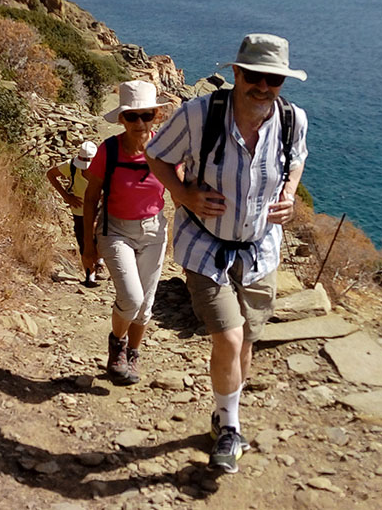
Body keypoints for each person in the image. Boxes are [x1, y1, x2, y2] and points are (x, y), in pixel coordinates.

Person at [146, 33, 308, 473]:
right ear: (237, 73)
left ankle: (222, 414)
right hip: (206, 248)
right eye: (254, 76)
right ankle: (232, 428)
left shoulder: (293, 120)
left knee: (247, 341)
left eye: (273, 79)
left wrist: (290, 194)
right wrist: (183, 195)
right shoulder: (199, 115)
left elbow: (297, 158)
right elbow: (156, 154)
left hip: (260, 250)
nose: (263, 86)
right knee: (229, 336)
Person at [82, 80, 171, 386]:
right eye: (131, 116)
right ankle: (117, 342)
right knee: (131, 298)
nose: (139, 122)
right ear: (121, 118)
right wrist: (88, 247)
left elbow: (182, 186)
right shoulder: (108, 150)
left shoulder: (165, 150)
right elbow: (91, 197)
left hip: (154, 231)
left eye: (145, 115)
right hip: (115, 229)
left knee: (145, 306)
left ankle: (132, 353)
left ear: (155, 116)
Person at [47, 141, 101, 286]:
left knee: (101, 237)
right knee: (84, 241)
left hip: (100, 208)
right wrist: (67, 197)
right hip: (80, 210)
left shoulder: (103, 168)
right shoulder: (71, 166)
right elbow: (51, 174)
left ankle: (98, 261)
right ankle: (90, 276)